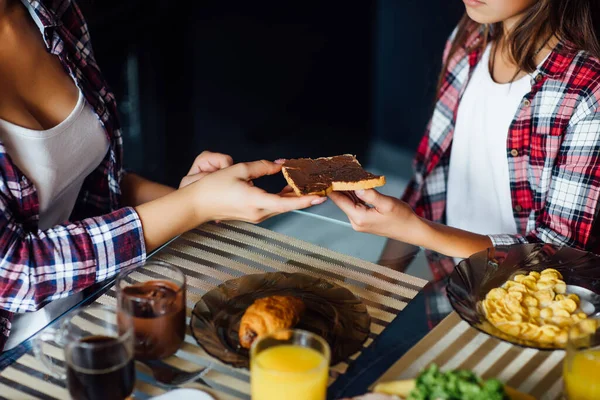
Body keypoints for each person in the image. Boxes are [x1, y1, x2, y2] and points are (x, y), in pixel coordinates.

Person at [0, 0, 326, 351]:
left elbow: (89, 187)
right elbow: (19, 273)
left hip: (94, 314)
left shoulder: (52, 12)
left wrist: (198, 199)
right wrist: (193, 205)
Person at [331, 0, 600, 324]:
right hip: (449, 293)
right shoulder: (470, 36)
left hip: (533, 318)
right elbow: (426, 182)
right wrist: (378, 289)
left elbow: (556, 256)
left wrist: (419, 232)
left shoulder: (588, 93)